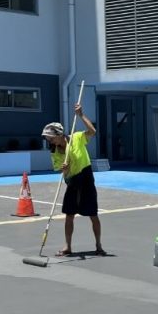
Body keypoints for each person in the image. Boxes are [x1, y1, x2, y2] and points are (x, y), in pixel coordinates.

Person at [41, 103, 106, 256]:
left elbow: (92, 131)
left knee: (93, 214)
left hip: (86, 178)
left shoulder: (76, 138)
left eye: (50, 137)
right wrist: (65, 169)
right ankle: (67, 247)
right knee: (69, 214)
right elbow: (61, 171)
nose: (48, 141)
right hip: (72, 181)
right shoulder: (55, 152)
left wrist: (81, 115)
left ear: (58, 134)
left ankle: (98, 245)